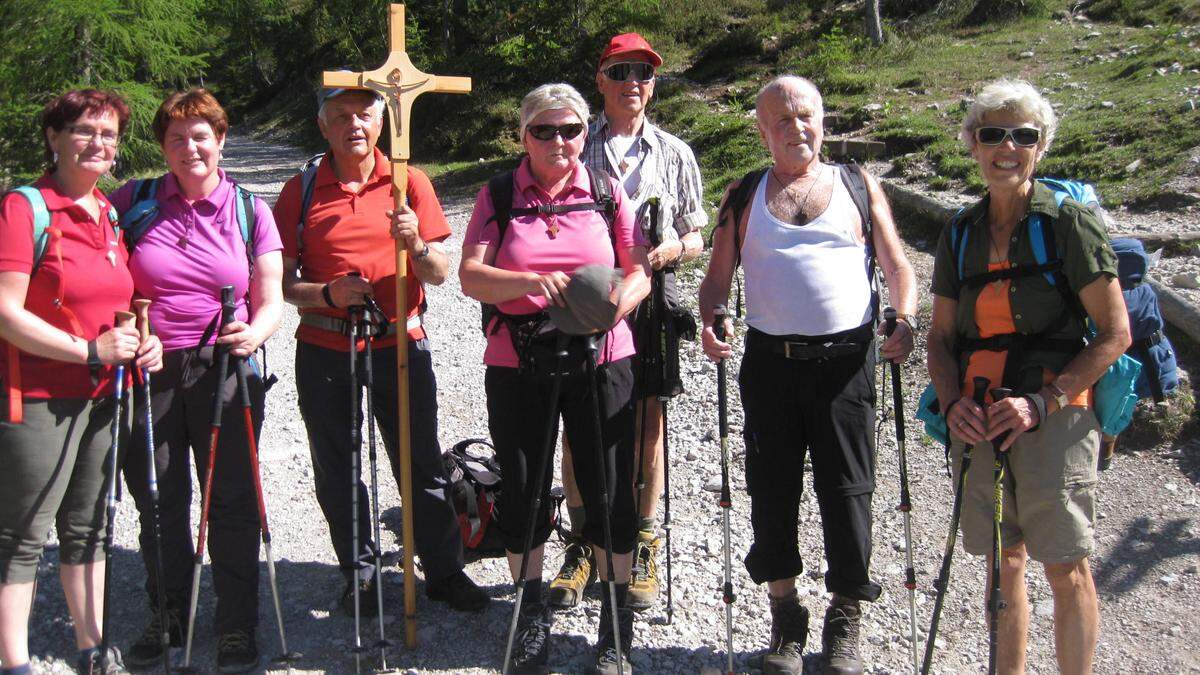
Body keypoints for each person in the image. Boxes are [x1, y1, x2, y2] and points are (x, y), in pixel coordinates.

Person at [699, 75, 917, 675]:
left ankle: (846, 613)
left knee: (849, 492)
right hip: (771, 364)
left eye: (807, 117)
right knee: (771, 491)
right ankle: (786, 615)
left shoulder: (856, 183)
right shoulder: (744, 194)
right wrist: (712, 317)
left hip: (847, 363)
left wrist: (907, 317)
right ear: (763, 130)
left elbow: (898, 265)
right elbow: (717, 279)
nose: (798, 128)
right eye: (783, 120)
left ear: (822, 121)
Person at [926, 78, 1129, 675]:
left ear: (1041, 148)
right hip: (979, 414)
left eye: (1023, 136)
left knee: (1066, 565)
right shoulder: (959, 232)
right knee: (1001, 561)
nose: (1006, 147)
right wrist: (949, 400)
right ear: (973, 144)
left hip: (1056, 417)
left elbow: (1115, 333)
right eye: (993, 134)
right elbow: (939, 337)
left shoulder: (1068, 224)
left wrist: (1044, 402)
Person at [273, 84, 488, 616]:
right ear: (323, 125)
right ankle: (362, 575)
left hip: (401, 342)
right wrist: (327, 294)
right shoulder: (300, 191)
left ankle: (443, 571)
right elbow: (282, 285)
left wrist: (415, 243)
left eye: (365, 114)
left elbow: (439, 274)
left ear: (381, 122)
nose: (355, 124)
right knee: (338, 464)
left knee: (419, 460)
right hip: (326, 346)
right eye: (342, 115)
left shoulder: (408, 181)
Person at [460, 83, 650, 673]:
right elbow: (470, 275)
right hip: (519, 362)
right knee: (521, 487)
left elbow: (637, 269)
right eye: (544, 130)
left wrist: (610, 307)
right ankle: (530, 618)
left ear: (584, 133)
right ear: (524, 136)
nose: (559, 142)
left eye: (570, 129)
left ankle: (615, 624)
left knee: (610, 488)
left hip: (602, 357)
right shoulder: (498, 194)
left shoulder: (604, 191)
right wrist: (526, 285)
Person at [109, 89, 284, 672]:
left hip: (225, 367)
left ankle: (236, 623)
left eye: (201, 135)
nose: (190, 148)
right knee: (159, 498)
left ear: (222, 139)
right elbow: (100, 281)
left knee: (231, 499)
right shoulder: (132, 203)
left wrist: (255, 334)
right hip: (150, 367)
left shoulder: (249, 210)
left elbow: (271, 295)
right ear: (162, 146)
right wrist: (128, 332)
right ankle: (171, 610)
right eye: (177, 138)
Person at [0, 89, 163, 675]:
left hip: (101, 396)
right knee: (22, 534)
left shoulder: (107, 211)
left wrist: (143, 339)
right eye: (85, 131)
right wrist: (87, 351)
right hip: (38, 396)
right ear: (54, 137)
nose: (99, 143)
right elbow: (4, 310)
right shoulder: (26, 208)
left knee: (88, 529)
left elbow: (117, 301)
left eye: (110, 134)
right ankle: (14, 662)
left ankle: (92, 649)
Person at [552, 32, 706, 613]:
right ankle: (585, 540)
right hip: (586, 304)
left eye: (642, 72)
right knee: (578, 420)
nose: (631, 83)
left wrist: (673, 250)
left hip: (654, 301)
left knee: (647, 421)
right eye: (619, 72)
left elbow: (697, 233)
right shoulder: (574, 144)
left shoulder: (675, 153)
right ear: (600, 80)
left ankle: (641, 537)